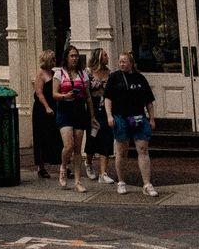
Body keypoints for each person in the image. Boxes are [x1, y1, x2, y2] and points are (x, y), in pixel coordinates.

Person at [105, 50, 158, 197]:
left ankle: (147, 184)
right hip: (121, 117)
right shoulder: (114, 77)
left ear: (131, 63)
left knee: (143, 149)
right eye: (120, 61)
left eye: (124, 61)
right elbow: (108, 98)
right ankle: (121, 181)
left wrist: (152, 118)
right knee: (122, 151)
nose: (121, 63)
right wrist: (109, 116)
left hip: (138, 117)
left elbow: (149, 101)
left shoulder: (140, 78)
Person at [52, 45, 91, 193]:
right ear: (66, 58)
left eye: (76, 56)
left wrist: (92, 115)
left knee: (78, 148)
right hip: (65, 109)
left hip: (79, 110)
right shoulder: (59, 74)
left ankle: (78, 181)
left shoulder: (83, 74)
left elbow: (87, 97)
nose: (74, 58)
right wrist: (65, 96)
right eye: (72, 56)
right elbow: (54, 94)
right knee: (68, 145)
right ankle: (63, 166)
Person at [83, 49, 115, 183]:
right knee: (93, 137)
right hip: (93, 107)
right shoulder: (89, 73)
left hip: (107, 108)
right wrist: (91, 114)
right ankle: (88, 163)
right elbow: (86, 93)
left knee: (107, 138)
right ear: (99, 57)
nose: (107, 57)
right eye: (105, 55)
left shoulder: (110, 74)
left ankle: (103, 172)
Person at [31, 50, 60, 179]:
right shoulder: (41, 74)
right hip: (41, 110)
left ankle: (61, 165)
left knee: (56, 136)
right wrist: (47, 107)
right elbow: (39, 93)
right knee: (41, 137)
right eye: (52, 59)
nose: (54, 61)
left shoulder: (54, 73)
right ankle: (41, 167)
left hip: (53, 108)